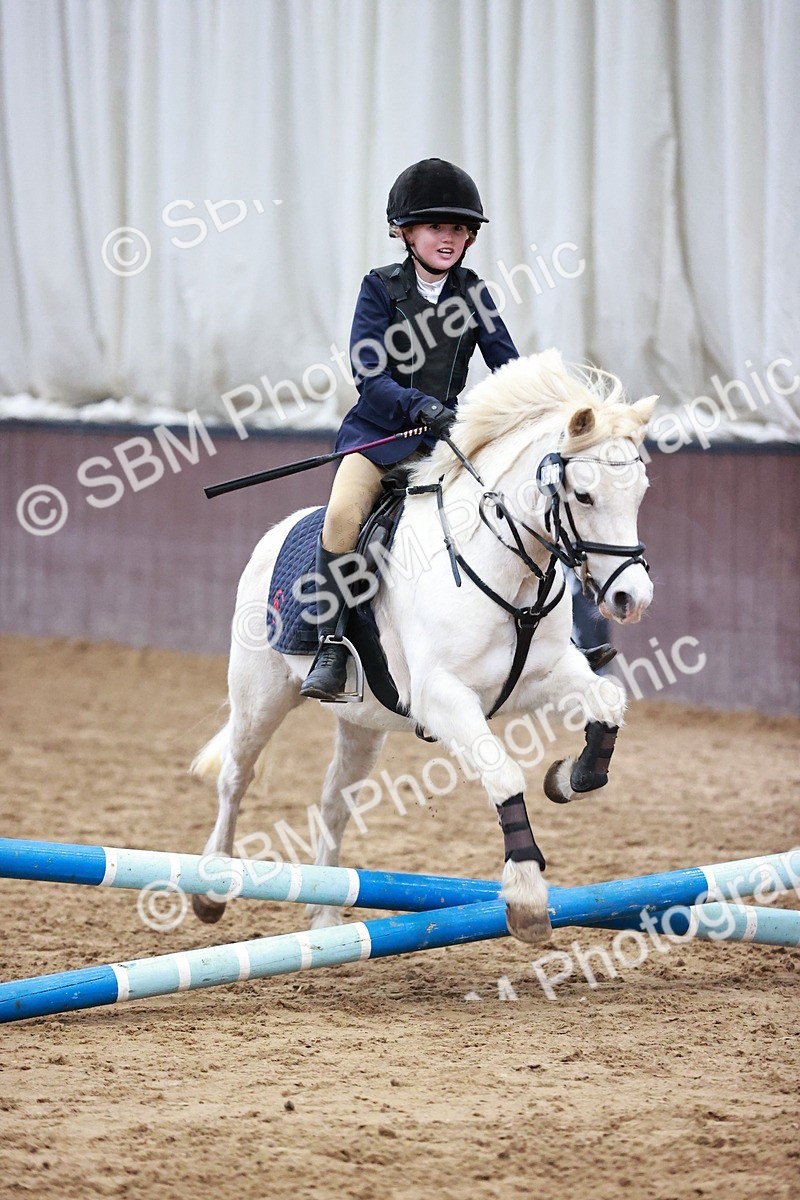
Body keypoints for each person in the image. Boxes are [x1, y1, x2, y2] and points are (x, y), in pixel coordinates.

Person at [300, 157, 519, 701]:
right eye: (435, 227)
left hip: (446, 443)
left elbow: (507, 364)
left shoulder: (475, 294)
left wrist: (536, 404)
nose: (448, 238)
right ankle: (330, 647)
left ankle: (567, 633)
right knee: (343, 516)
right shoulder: (378, 289)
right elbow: (368, 374)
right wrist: (421, 406)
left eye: (458, 229)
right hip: (378, 439)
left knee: (519, 505)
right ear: (406, 232)